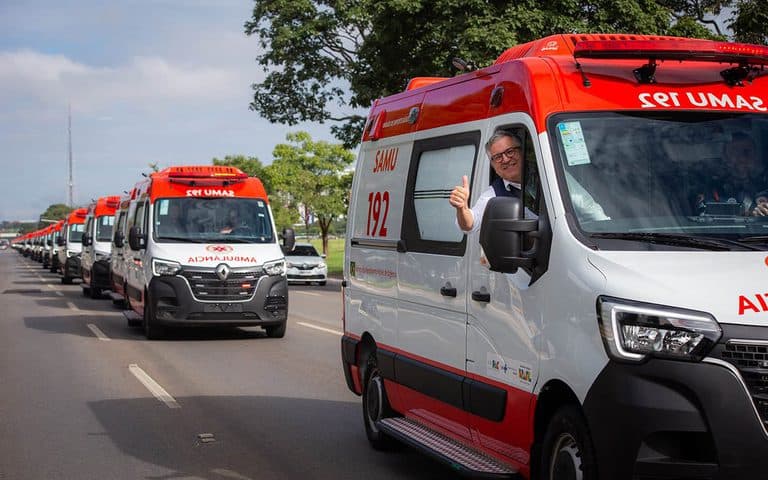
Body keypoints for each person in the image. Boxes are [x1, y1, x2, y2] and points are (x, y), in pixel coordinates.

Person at [450, 130, 524, 233]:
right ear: (493, 165)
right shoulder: (493, 195)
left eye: (510, 151)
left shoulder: (545, 172)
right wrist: (462, 208)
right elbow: (470, 224)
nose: (506, 159)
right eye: (498, 157)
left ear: (522, 152)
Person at [695, 133, 767, 216]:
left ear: (755, 157)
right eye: (735, 152)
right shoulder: (711, 189)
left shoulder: (764, 189)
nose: (742, 159)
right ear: (725, 157)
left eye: (747, 152)